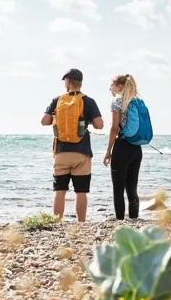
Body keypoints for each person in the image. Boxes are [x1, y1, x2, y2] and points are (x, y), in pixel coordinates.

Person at [41, 69, 103, 223]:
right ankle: (81, 223)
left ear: (68, 82)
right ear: (80, 83)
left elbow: (44, 121)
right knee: (81, 192)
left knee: (59, 191)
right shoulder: (88, 101)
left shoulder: (57, 100)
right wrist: (86, 121)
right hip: (82, 153)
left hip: (61, 152)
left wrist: (58, 118)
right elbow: (99, 125)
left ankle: (58, 222)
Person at [103, 74, 143, 220]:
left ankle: (120, 221)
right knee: (132, 188)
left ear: (119, 86)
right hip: (136, 148)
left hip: (122, 148)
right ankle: (134, 219)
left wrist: (108, 151)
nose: (110, 89)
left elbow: (114, 128)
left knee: (118, 188)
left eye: (111, 86)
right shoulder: (138, 101)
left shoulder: (117, 102)